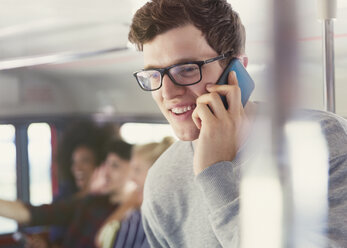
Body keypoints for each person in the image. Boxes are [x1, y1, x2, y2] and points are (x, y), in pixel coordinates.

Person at [128, 0, 347, 247]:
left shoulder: (326, 143)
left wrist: (215, 175)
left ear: (237, 68)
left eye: (187, 69)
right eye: (154, 75)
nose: (167, 93)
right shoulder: (162, 182)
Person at [0, 139, 133, 248]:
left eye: (115, 166)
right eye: (106, 165)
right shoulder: (92, 202)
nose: (106, 172)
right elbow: (37, 213)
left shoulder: (133, 218)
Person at [95, 137, 175, 248]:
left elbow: (101, 240)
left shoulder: (138, 220)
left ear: (157, 172)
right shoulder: (137, 214)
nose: (132, 177)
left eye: (137, 170)